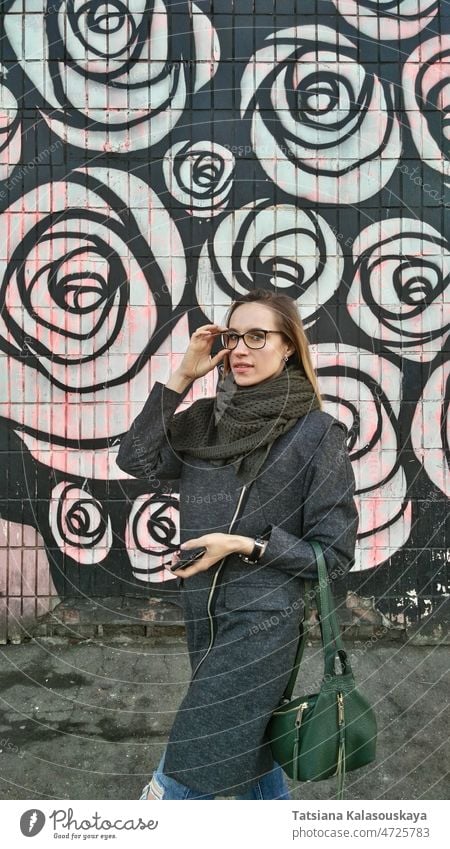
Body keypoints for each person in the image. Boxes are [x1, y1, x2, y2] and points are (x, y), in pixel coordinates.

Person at [116, 288, 359, 800]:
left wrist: (242, 544)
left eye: (257, 336)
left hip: (263, 623)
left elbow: (334, 553)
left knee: (188, 763)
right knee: (249, 755)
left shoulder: (317, 434)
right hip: (203, 614)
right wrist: (182, 376)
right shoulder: (206, 420)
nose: (242, 349)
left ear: (289, 346)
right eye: (233, 337)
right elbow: (135, 460)